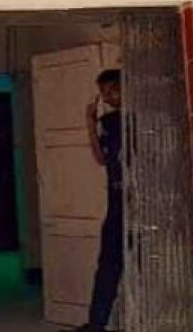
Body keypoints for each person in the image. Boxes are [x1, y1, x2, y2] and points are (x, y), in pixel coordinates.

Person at [73, 68, 125, 332]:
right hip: (117, 198)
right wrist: (90, 123)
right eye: (104, 93)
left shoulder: (145, 118)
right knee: (108, 263)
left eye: (113, 90)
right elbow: (101, 158)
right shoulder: (109, 122)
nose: (108, 97)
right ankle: (97, 324)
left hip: (144, 200)